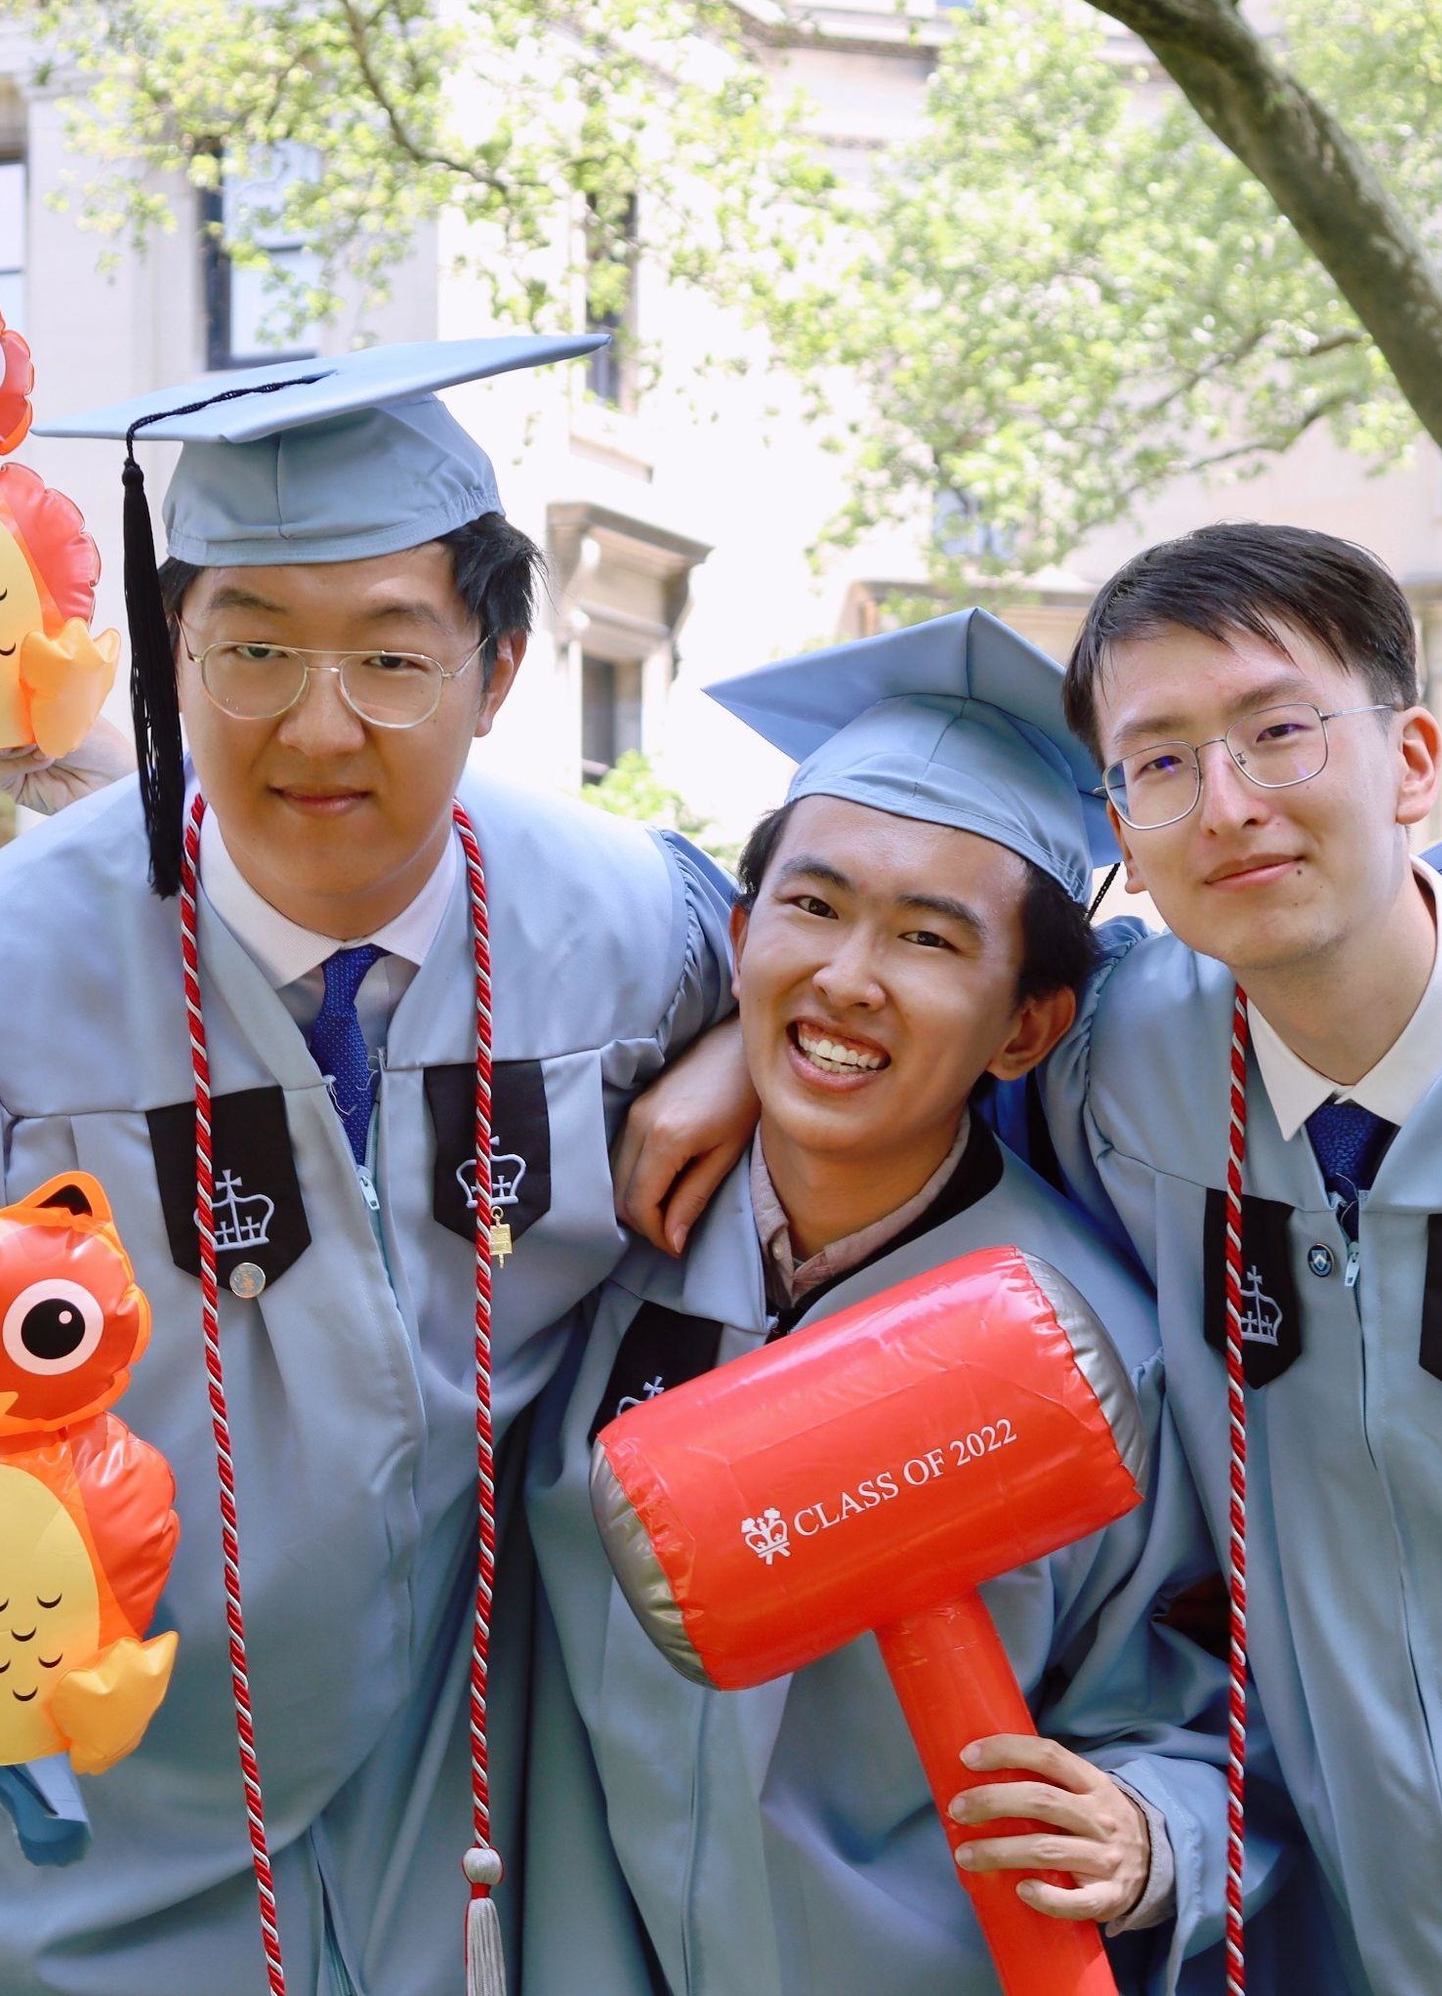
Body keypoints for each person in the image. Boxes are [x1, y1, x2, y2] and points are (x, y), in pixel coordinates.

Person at [0, 335, 735, 1996]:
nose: (317, 726)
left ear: (505, 663)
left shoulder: (631, 926)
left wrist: (746, 1054)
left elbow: (887, 996)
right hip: (90, 1855)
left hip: (462, 1822)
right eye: (248, 648)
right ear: (170, 657)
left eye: (393, 659)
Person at [620, 523, 1442, 1994]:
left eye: (1279, 734)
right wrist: (732, 1069)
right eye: (1161, 763)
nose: (1229, 807)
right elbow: (909, 1022)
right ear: (1121, 826)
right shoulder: (1127, 1057)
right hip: (1323, 1937)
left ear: (1412, 762)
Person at [523, 611, 1243, 1996]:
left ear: (1028, 1025)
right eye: (813, 907)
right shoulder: (599, 1249)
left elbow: (1193, 1723)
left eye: (927, 938)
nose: (849, 978)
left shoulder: (1092, 1353)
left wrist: (1157, 1836)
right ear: (740, 940)